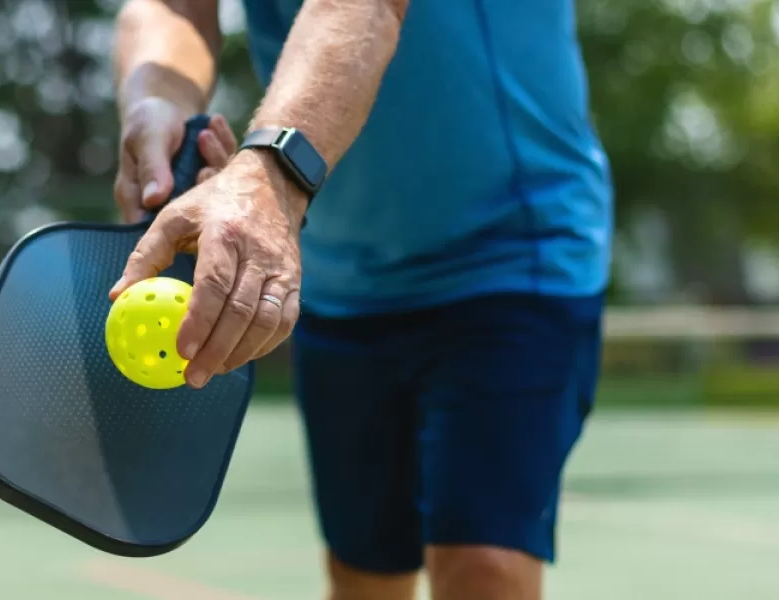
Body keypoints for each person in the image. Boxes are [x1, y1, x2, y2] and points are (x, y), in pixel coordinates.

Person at [109, 0, 612, 598]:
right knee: (363, 572)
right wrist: (157, 101)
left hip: (511, 254)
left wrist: (271, 170)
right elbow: (175, 9)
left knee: (484, 565)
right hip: (343, 280)